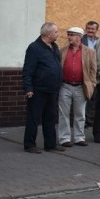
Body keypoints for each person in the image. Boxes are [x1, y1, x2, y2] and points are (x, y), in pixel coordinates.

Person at [23, 22, 63, 153]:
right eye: (56, 32)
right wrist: (28, 88)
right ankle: (29, 144)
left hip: (52, 89)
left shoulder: (54, 46)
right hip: (38, 89)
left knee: (50, 117)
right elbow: (28, 69)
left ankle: (50, 144)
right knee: (34, 118)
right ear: (48, 34)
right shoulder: (34, 48)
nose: (58, 34)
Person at [57, 26, 97, 148]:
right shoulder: (62, 51)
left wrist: (91, 85)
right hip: (65, 86)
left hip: (81, 86)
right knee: (64, 113)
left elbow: (93, 70)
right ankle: (64, 138)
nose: (69, 37)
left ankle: (79, 137)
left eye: (72, 35)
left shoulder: (89, 52)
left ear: (79, 37)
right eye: (68, 34)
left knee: (80, 113)